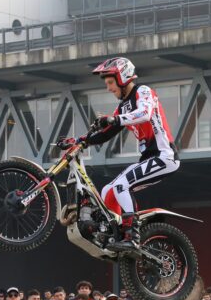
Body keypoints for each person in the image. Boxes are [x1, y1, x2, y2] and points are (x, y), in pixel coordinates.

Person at [66, 57, 180, 251]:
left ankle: (131, 234)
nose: (109, 88)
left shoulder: (142, 91)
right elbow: (105, 135)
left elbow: (144, 113)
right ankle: (117, 232)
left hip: (164, 156)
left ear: (122, 77)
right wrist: (80, 141)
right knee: (107, 191)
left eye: (110, 82)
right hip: (149, 159)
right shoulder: (122, 107)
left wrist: (114, 119)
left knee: (120, 185)